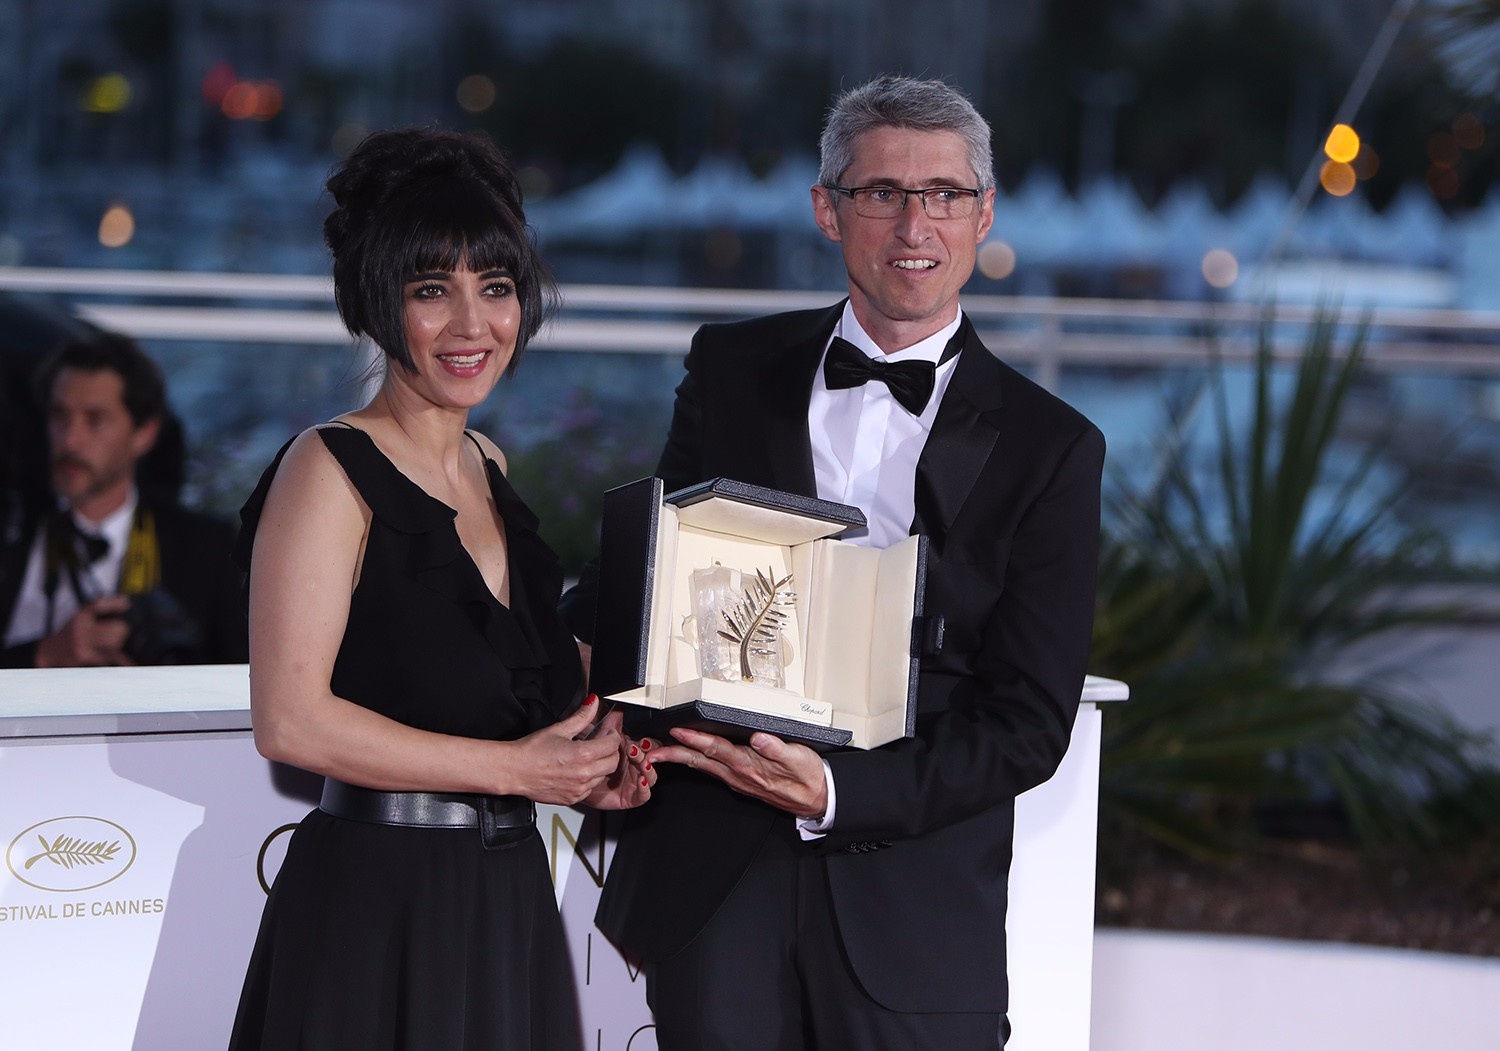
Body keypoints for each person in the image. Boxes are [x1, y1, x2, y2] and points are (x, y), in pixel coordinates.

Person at [563, 75, 1106, 1048]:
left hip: (916, 900)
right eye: (882, 192)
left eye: (944, 194)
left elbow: (1028, 721)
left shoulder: (1052, 445)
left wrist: (839, 794)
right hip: (716, 877)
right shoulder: (731, 368)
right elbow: (652, 571)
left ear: (983, 215)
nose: (914, 224)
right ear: (828, 209)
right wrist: (560, 662)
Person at [228, 127, 656, 1050]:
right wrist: (517, 771)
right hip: (375, 907)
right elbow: (290, 723)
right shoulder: (326, 467)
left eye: (495, 288)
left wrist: (589, 772)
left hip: (502, 898)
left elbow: (507, 689)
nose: (473, 325)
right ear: (375, 301)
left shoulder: (488, 465)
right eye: (432, 290)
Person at [0, 333, 248, 668]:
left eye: (95, 420)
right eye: (60, 416)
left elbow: (240, 677)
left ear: (144, 434)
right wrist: (43, 655)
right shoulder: (10, 526)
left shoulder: (202, 546)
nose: (70, 440)